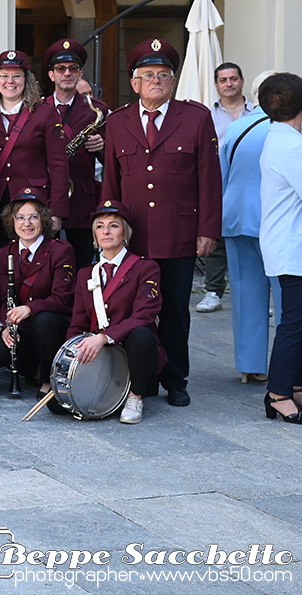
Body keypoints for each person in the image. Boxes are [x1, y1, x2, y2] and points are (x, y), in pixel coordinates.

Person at [101, 38, 221, 408]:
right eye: (148, 75)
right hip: (132, 236)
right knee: (131, 310)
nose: (157, 81)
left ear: (173, 82)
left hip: (178, 234)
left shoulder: (196, 117)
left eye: (164, 75)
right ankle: (141, 376)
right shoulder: (117, 121)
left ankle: (175, 378)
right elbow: (110, 181)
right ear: (134, 83)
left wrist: (208, 230)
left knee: (173, 310)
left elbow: (210, 179)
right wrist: (108, 233)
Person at [66, 200, 166, 424]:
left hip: (136, 353)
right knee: (59, 407)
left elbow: (144, 315)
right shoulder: (86, 274)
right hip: (101, 356)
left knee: (141, 333)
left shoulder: (145, 268)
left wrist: (103, 337)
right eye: (100, 226)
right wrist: (72, 355)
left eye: (113, 225)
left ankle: (135, 396)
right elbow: (78, 322)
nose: (106, 231)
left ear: (125, 233)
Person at [0, 50, 70, 274]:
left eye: (16, 76)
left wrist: (56, 212)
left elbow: (59, 165)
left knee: (31, 267)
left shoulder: (45, 113)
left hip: (32, 204)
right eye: (4, 76)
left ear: (26, 81)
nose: (10, 81)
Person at [0, 189, 75, 400]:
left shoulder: (60, 250)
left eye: (33, 217)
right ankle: (33, 371)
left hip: (52, 323)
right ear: (12, 221)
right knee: (0, 347)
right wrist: (7, 325)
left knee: (43, 322)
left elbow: (62, 299)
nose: (26, 223)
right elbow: (3, 298)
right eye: (20, 217)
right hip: (24, 325)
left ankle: (49, 377)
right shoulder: (5, 253)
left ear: (43, 220)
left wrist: (29, 308)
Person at [220, 79, 276, 384]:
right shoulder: (287, 130)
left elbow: (223, 176)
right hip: (276, 223)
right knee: (288, 300)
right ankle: (288, 366)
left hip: (237, 217)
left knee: (245, 292)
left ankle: (250, 365)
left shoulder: (237, 128)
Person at [256, 72, 302, 424]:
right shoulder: (291, 145)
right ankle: (279, 394)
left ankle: (294, 386)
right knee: (294, 323)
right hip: (292, 246)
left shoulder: (281, 137)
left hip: (287, 243)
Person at [42, 39, 107, 271]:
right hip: (46, 197)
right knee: (47, 263)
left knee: (82, 265)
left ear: (80, 74)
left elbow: (112, 162)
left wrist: (102, 147)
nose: (67, 73)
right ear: (51, 75)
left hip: (82, 198)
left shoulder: (97, 110)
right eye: (61, 69)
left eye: (73, 69)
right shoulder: (37, 109)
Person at [198, 62, 254, 314]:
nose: (229, 84)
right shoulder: (206, 116)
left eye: (233, 78)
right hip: (217, 183)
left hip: (249, 184)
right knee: (215, 238)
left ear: (242, 81)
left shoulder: (258, 114)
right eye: (223, 80)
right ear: (216, 84)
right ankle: (213, 291)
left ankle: (256, 294)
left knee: (253, 238)